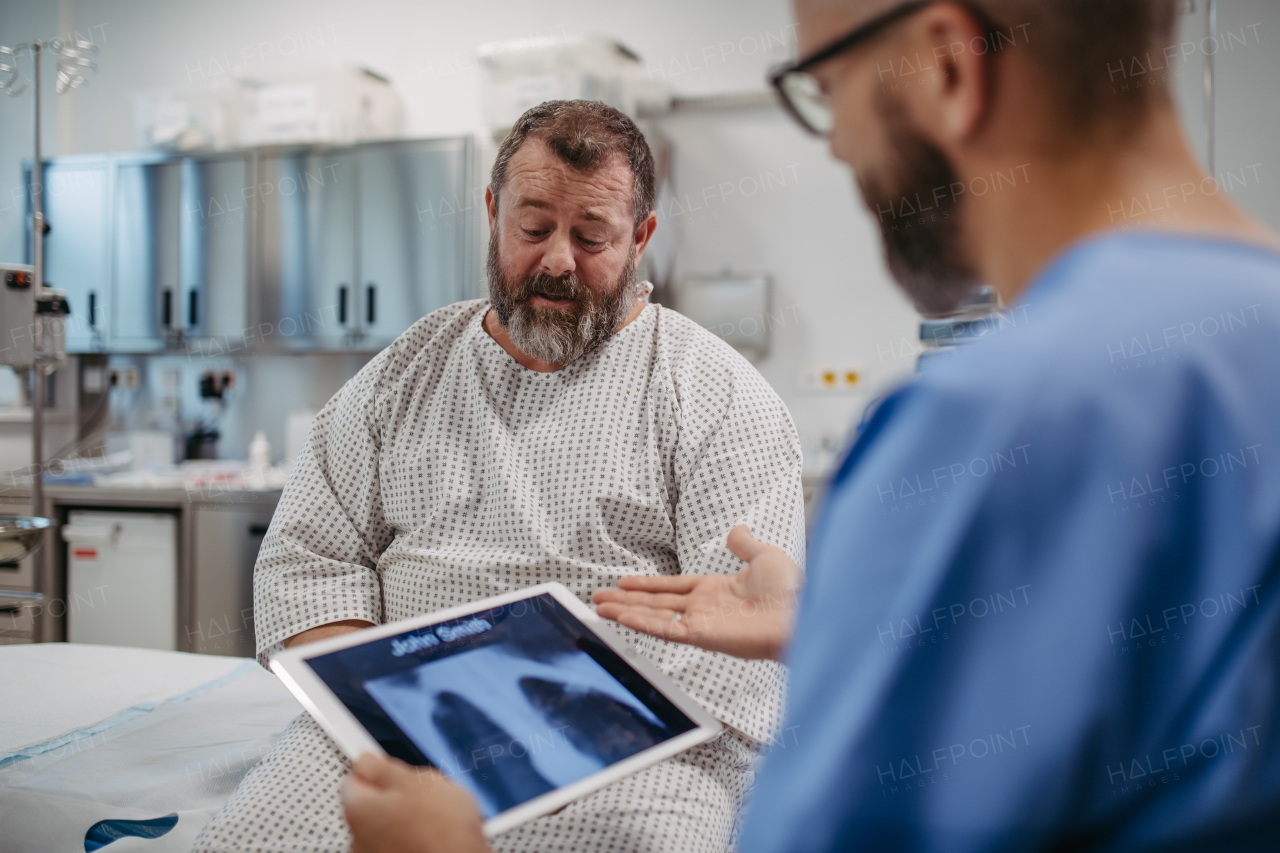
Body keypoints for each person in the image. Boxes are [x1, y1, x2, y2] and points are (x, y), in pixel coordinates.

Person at [339, 0, 1280, 850]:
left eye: (825, 90)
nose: (834, 147)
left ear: (949, 66)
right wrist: (843, 627)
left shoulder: (986, 431)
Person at [192, 100, 807, 853]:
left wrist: (545, 731)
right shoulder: (406, 371)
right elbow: (310, 557)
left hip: (633, 744)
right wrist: (378, 709)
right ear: (492, 213)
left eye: (591, 237)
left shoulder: (717, 395)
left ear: (641, 237)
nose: (557, 261)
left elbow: (734, 634)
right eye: (533, 227)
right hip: (402, 725)